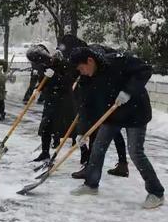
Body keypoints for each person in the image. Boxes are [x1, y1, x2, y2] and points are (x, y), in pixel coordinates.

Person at [69, 47, 164, 209]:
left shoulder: (117, 61)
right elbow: (85, 106)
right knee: (98, 147)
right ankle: (91, 184)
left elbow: (145, 70)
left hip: (136, 113)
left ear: (90, 61)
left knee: (135, 152)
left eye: (81, 68)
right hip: (112, 114)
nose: (82, 72)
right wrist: (82, 132)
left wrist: (128, 91)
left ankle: (156, 192)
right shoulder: (86, 79)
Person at [57, 35, 129, 178]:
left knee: (108, 127)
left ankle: (97, 167)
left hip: (113, 93)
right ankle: (92, 164)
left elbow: (99, 75)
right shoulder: (78, 57)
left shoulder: (93, 52)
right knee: (104, 127)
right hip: (99, 93)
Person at [26, 45, 77, 162]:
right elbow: (42, 81)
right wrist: (37, 89)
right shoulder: (42, 66)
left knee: (71, 127)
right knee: (46, 127)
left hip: (64, 101)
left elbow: (69, 81)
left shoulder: (62, 63)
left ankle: (84, 156)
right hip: (50, 100)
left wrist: (55, 76)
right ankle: (45, 153)